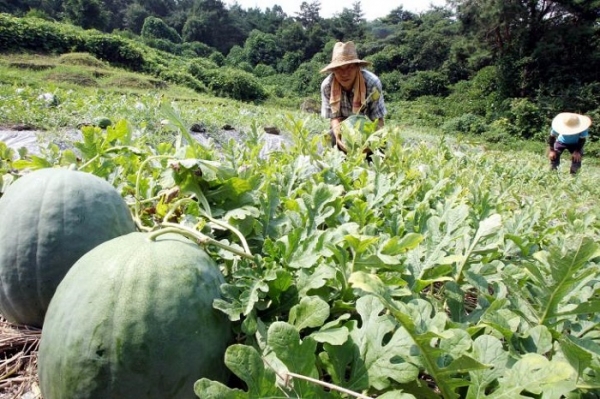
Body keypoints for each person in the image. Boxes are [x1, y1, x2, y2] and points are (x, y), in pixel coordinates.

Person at [320, 41, 387, 154]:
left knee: (381, 143)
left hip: (366, 130)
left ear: (357, 67)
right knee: (329, 138)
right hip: (342, 130)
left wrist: (370, 144)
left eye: (349, 67)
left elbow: (378, 120)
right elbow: (334, 118)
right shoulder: (327, 86)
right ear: (333, 71)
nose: (344, 73)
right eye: (339, 68)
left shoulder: (372, 83)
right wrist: (338, 138)